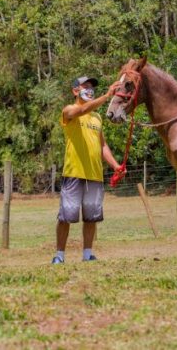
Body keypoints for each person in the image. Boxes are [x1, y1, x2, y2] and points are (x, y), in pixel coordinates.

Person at [52, 76, 120, 264]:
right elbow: (82, 109)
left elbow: (102, 145)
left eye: (91, 87)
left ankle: (87, 254)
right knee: (66, 216)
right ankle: (59, 255)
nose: (90, 90)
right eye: (85, 86)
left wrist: (115, 165)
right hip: (73, 173)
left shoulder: (97, 118)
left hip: (94, 175)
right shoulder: (69, 111)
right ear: (75, 91)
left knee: (91, 218)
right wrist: (107, 95)